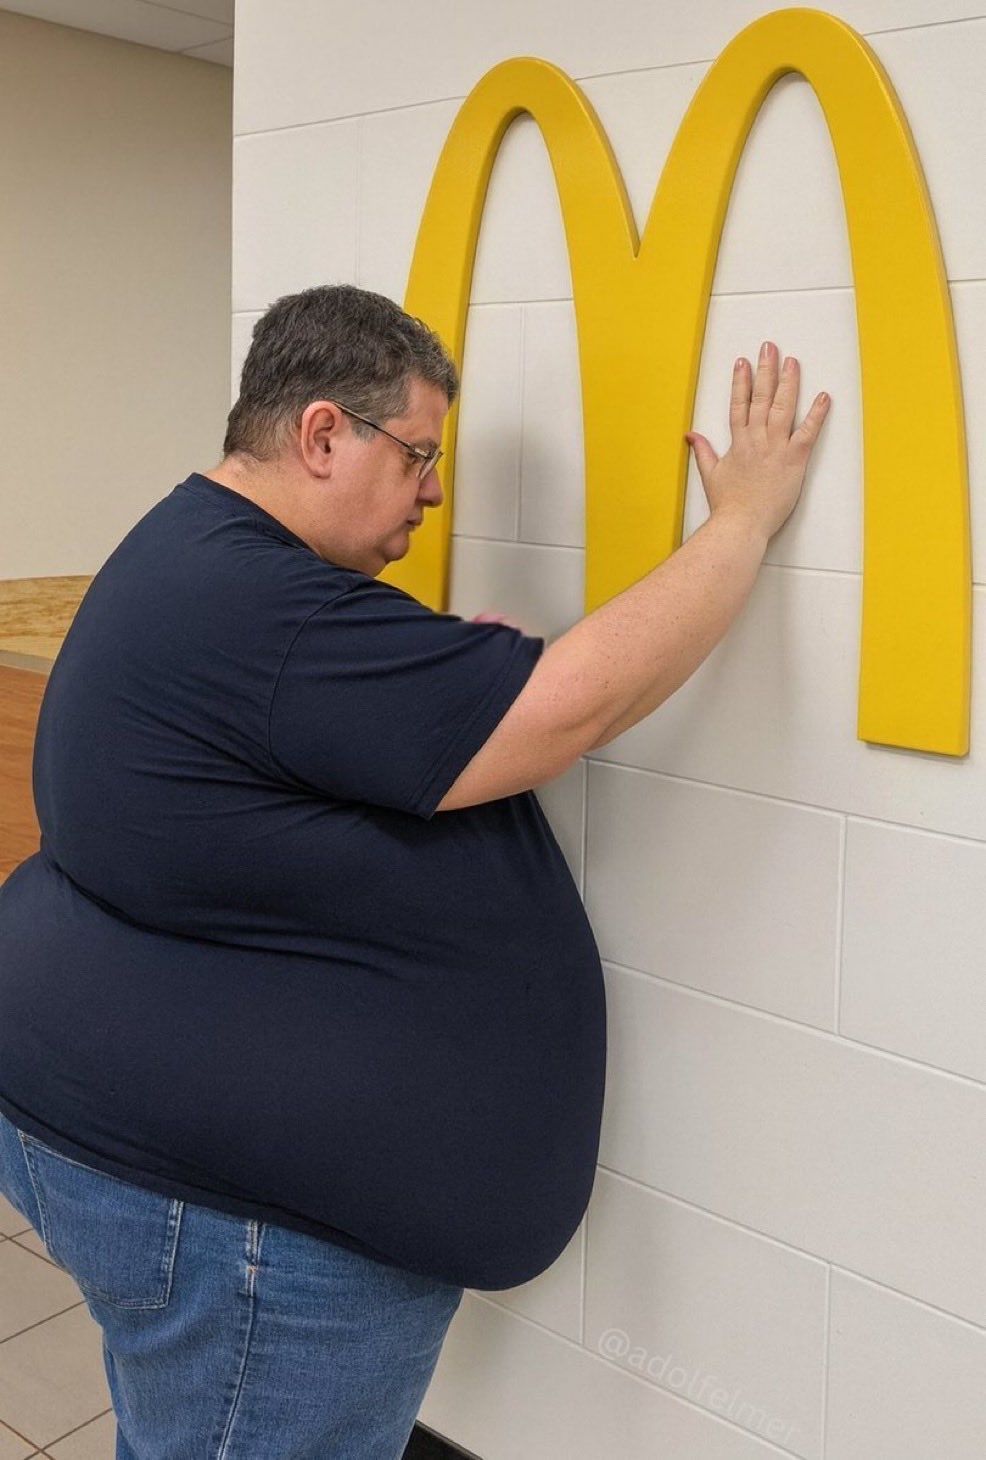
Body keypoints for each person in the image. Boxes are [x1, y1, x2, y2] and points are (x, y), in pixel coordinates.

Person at [0, 284, 830, 1459]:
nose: (433, 490)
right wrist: (740, 522)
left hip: (142, 1152)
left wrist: (442, 685)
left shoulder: (198, 552)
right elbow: (570, 705)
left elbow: (292, 739)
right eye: (417, 454)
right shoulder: (261, 602)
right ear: (322, 433)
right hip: (239, 1233)